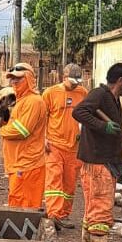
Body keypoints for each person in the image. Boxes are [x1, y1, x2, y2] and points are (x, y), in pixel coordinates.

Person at [72, 62, 122, 242]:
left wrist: (121, 164)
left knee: (93, 206)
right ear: (120, 81)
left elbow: (115, 137)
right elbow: (79, 112)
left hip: (107, 160)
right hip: (97, 162)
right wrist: (103, 125)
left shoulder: (114, 100)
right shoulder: (99, 94)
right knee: (100, 207)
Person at [0, 62, 48, 210]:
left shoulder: (33, 102)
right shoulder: (22, 101)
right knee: (17, 203)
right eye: (12, 79)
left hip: (27, 165)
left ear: (29, 79)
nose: (14, 82)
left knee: (24, 208)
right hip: (20, 163)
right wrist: (5, 119)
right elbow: (17, 123)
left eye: (18, 79)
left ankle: (22, 233)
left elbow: (22, 130)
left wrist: (1, 130)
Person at [41, 63, 88, 227]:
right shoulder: (50, 93)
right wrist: (44, 138)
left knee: (69, 184)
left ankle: (64, 215)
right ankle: (54, 215)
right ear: (64, 77)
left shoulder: (82, 93)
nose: (75, 84)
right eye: (72, 80)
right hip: (54, 145)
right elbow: (42, 117)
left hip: (74, 147)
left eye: (78, 80)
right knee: (54, 181)